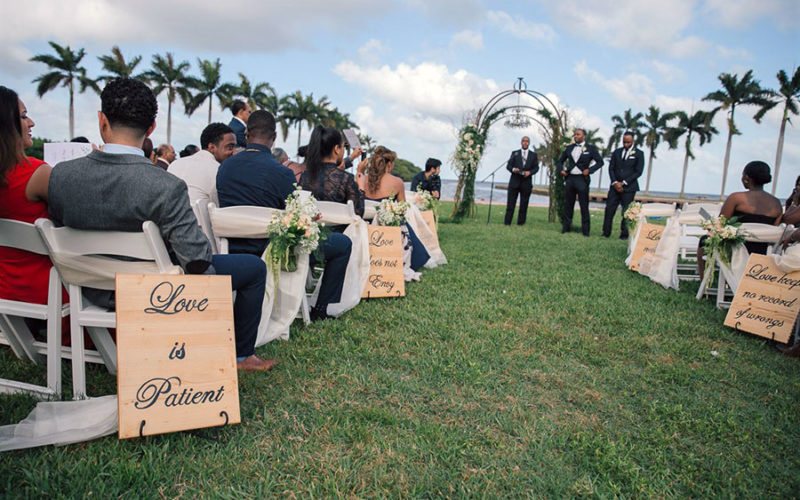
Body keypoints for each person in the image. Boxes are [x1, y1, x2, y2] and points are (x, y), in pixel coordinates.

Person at [38, 78, 276, 372]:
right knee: (254, 268)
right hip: (156, 292)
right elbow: (197, 260)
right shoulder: (165, 185)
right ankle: (241, 356)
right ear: (151, 127)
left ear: (102, 121)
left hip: (87, 289)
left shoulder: (60, 176)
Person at [217, 112, 350, 321]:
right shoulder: (281, 173)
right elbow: (295, 216)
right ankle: (321, 309)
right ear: (274, 137)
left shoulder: (225, 168)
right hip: (272, 249)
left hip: (230, 248)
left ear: (247, 133)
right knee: (343, 244)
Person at [0, 86, 68, 342]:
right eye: (23, 116)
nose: (31, 123)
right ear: (5, 124)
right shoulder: (36, 173)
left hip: (5, 290)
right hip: (48, 292)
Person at [697, 160, 783, 277]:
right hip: (762, 252)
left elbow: (719, 225)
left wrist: (710, 225)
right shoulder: (776, 203)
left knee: (704, 240)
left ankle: (704, 281)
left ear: (746, 178)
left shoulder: (736, 198)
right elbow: (773, 232)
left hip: (734, 249)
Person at [359, 146, 430, 271]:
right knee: (402, 223)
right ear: (389, 164)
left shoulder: (361, 179)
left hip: (366, 226)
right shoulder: (397, 182)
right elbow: (402, 208)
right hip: (387, 227)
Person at [168, 123, 235, 216]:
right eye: (230, 147)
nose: (234, 152)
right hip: (199, 224)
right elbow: (224, 210)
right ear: (212, 147)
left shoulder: (174, 165)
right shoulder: (219, 171)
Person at [299, 126, 364, 217]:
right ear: (336, 149)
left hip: (313, 226)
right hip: (340, 226)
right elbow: (358, 214)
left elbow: (300, 208)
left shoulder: (305, 177)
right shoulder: (346, 179)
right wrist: (361, 187)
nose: (343, 151)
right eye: (343, 147)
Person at [557, 128, 604, 236]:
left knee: (584, 205)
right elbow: (560, 161)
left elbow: (600, 162)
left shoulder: (590, 148)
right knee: (568, 204)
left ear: (584, 136)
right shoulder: (569, 148)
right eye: (575, 134)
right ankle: (566, 228)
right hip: (570, 178)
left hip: (582, 179)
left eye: (578, 134)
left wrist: (590, 170)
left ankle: (585, 231)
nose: (575, 136)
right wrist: (561, 170)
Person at [602, 131, 644, 240]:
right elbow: (611, 168)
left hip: (629, 188)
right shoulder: (617, 152)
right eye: (624, 142)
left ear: (633, 141)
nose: (626, 144)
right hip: (614, 187)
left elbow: (638, 172)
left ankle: (624, 234)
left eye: (628, 142)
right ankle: (606, 232)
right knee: (609, 209)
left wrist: (624, 183)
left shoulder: (639, 154)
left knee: (626, 212)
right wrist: (615, 182)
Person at [504, 137, 539, 225]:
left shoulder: (533, 155)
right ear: (521, 142)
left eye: (527, 141)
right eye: (523, 141)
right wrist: (513, 169)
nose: (525, 143)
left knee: (524, 204)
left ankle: (520, 223)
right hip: (514, 181)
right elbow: (508, 166)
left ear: (529, 143)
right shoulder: (515, 153)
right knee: (511, 203)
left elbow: (536, 168)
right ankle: (507, 222)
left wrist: (530, 172)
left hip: (526, 182)